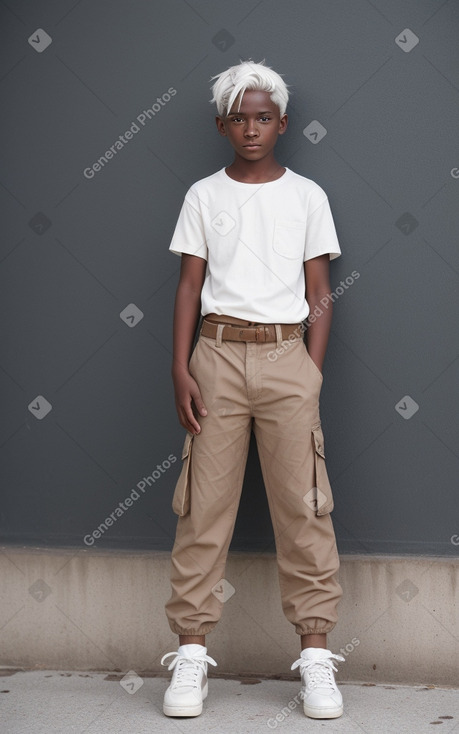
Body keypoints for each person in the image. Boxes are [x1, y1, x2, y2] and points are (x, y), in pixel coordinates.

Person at [160, 59, 345, 720]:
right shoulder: (203, 197)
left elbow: (320, 294)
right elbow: (187, 285)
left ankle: (316, 659)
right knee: (202, 510)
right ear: (222, 124)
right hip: (214, 354)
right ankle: (189, 655)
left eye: (262, 116)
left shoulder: (306, 196)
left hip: (284, 358)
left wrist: (309, 370)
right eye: (239, 117)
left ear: (282, 122)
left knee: (305, 508)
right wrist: (181, 366)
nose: (251, 128)